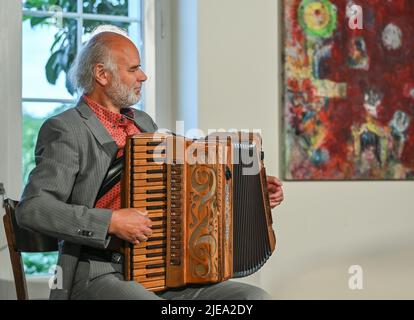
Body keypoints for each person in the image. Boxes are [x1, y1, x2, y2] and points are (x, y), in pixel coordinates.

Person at [16, 26, 284, 300]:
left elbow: (190, 180)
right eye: (133, 69)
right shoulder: (66, 129)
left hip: (162, 269)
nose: (143, 76)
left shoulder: (143, 123)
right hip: (98, 271)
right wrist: (110, 222)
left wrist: (253, 190)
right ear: (101, 74)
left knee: (252, 298)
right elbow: (32, 209)